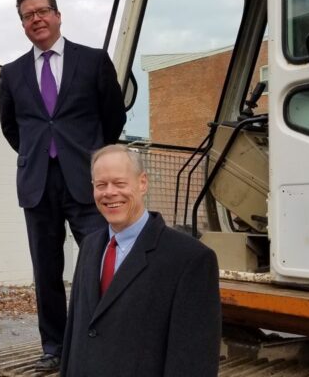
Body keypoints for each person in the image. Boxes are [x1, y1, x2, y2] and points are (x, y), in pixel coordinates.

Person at [0, 0, 127, 371]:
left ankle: (101, 341)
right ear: (22, 24)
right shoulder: (13, 72)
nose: (36, 19)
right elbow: (11, 128)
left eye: (42, 11)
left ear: (57, 15)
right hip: (38, 184)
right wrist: (39, 154)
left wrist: (93, 158)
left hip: (87, 181)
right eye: (27, 15)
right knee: (46, 269)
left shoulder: (92, 61)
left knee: (99, 263)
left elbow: (113, 118)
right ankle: (54, 346)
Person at [60, 145, 221, 376]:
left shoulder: (190, 259)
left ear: (142, 183)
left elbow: (193, 361)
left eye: (119, 183)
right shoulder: (89, 246)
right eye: (101, 185)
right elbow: (75, 333)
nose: (109, 192)